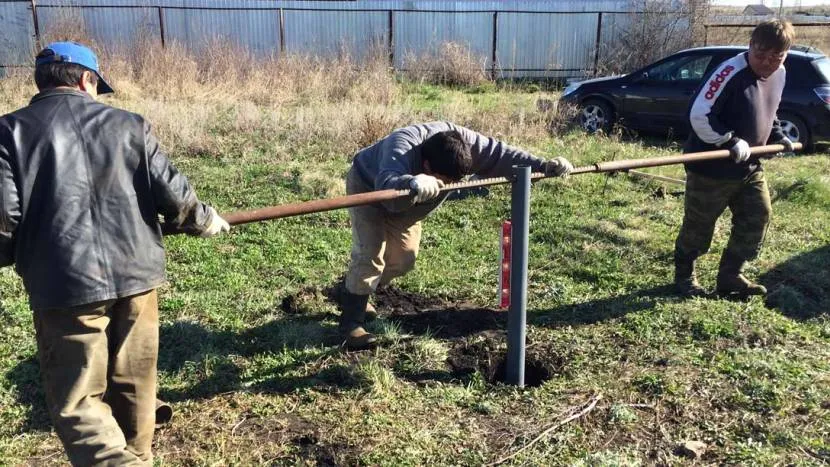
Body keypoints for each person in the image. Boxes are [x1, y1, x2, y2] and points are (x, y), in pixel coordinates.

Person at [0, 41, 230, 465]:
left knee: (79, 399)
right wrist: (203, 220)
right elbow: (174, 198)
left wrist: (19, 253)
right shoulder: (129, 125)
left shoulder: (9, 132)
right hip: (138, 274)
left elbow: (3, 218)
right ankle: (136, 456)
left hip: (64, 283)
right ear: (87, 79)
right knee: (135, 381)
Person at [339, 121, 573, 349]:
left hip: (410, 205)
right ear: (427, 165)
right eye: (447, 181)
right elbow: (386, 181)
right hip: (370, 190)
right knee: (371, 255)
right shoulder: (401, 146)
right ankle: (351, 323)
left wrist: (543, 166)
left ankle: (355, 289)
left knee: (403, 259)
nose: (451, 185)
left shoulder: (466, 144)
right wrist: (412, 181)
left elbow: (502, 155)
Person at [674, 19, 795, 298]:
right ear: (750, 46)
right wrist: (728, 140)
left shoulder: (781, 73)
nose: (767, 63)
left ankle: (730, 276)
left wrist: (777, 135)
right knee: (698, 226)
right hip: (711, 168)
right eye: (760, 55)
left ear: (785, 54)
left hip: (750, 167)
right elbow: (699, 114)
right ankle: (684, 278)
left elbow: (769, 110)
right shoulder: (730, 71)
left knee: (757, 216)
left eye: (775, 57)